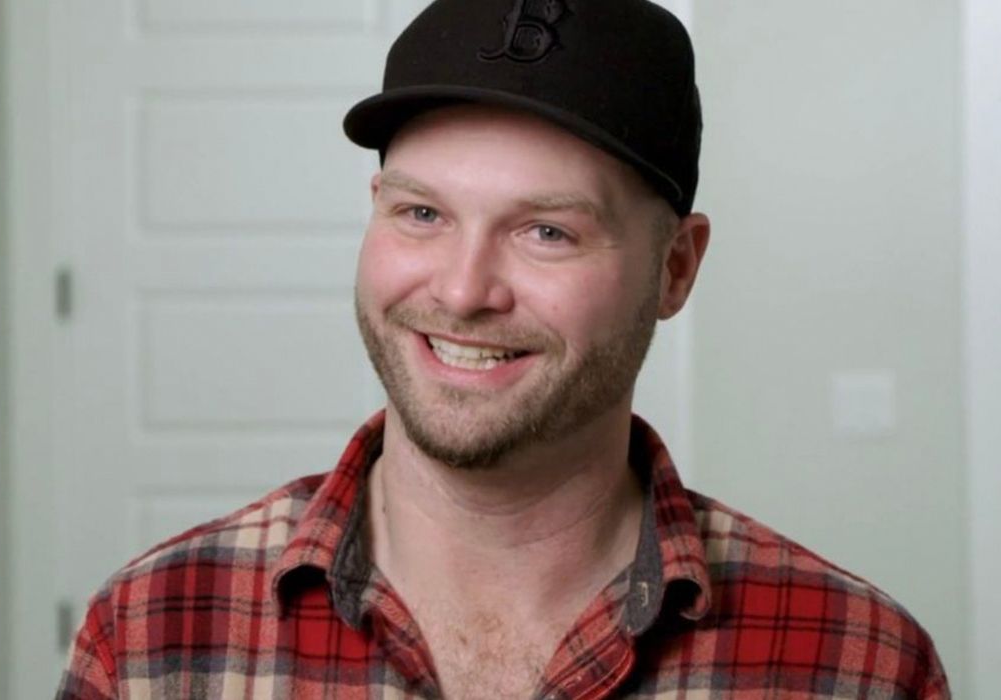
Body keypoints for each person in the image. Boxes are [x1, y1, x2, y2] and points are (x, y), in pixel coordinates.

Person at [59, 0, 950, 697]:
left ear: (676, 268)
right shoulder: (154, 638)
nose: (460, 290)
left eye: (547, 232)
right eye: (421, 214)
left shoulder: (855, 663)